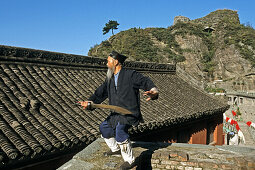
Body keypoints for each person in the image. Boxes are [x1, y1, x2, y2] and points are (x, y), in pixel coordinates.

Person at [78, 51, 159, 169]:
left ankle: (130, 160)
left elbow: (145, 81)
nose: (106, 64)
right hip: (115, 113)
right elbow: (99, 94)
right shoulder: (109, 79)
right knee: (104, 127)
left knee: (120, 131)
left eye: (108, 61)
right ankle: (115, 149)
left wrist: (154, 92)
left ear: (116, 62)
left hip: (129, 113)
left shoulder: (130, 75)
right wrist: (89, 102)